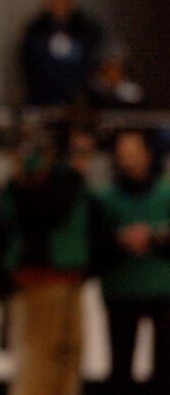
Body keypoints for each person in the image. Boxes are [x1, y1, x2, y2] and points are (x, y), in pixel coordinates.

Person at [0, 124, 94, 395]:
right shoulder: (39, 177)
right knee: (39, 360)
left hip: (70, 280)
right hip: (38, 280)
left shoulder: (60, 178)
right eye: (78, 149)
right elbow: (45, 212)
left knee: (68, 354)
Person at [93, 130, 170, 395]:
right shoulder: (104, 199)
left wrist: (156, 238)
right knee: (120, 369)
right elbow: (94, 245)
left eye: (134, 154)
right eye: (123, 155)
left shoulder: (165, 193)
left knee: (165, 370)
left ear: (148, 156)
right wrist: (119, 241)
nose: (128, 161)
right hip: (121, 290)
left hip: (163, 291)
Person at [21, 0, 102, 105]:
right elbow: (27, 63)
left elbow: (94, 61)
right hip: (42, 98)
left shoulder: (86, 29)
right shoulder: (36, 29)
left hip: (78, 101)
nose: (59, 3)